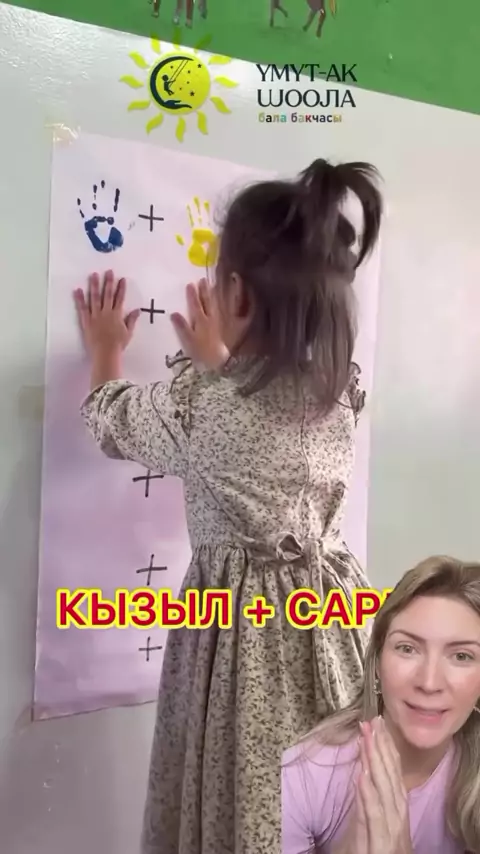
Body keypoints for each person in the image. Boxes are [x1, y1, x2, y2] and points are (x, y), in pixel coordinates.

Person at [73, 157, 383, 854]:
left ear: (235, 294)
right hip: (337, 625)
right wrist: (222, 361)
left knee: (249, 795)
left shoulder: (204, 407)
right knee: (330, 800)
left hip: (248, 643)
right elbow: (264, 419)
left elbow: (111, 421)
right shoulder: (338, 396)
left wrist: (106, 350)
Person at [282, 555, 480, 854]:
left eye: (462, 656)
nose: (429, 683)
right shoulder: (301, 775)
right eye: (407, 648)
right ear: (376, 663)